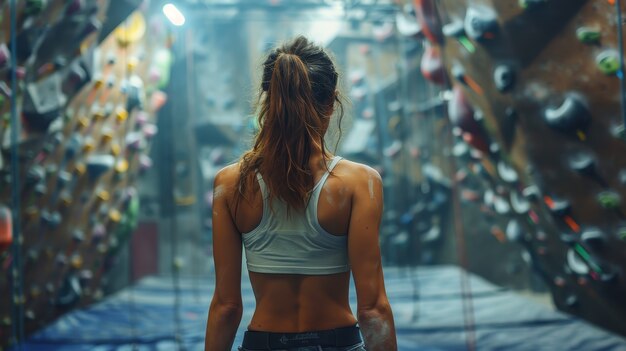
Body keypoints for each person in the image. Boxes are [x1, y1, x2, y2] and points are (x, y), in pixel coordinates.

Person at [205, 36, 397, 351]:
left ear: (270, 98)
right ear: (333, 100)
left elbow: (226, 306)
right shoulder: (360, 183)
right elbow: (372, 308)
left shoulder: (230, 184)